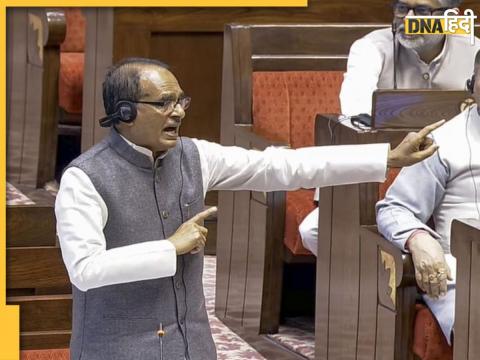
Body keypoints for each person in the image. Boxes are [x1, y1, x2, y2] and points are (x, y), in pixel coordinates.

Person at [55, 57, 442, 360]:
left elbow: (280, 167)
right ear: (125, 113)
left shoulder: (195, 156)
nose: (178, 112)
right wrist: (169, 247)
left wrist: (386, 158)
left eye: (180, 101)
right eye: (164, 103)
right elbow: (85, 269)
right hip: (117, 350)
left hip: (191, 347)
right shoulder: (85, 178)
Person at [299, 0, 480, 254]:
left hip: (450, 179)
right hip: (379, 171)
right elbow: (356, 115)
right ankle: (376, 287)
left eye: (422, 11)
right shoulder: (371, 48)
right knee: (315, 231)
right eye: (402, 8)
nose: (408, 18)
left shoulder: (473, 50)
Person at [376, 50, 480, 344]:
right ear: (472, 85)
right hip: (466, 277)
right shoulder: (444, 143)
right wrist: (418, 239)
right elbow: (393, 208)